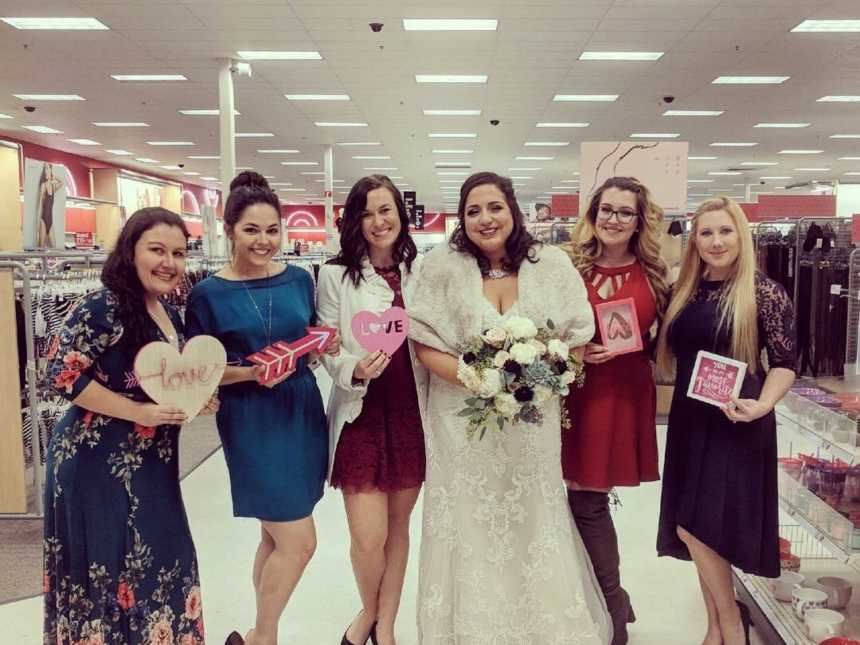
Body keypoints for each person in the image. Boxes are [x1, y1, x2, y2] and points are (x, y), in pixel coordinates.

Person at [408, 171, 612, 644]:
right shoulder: (440, 267)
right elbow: (425, 343)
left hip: (531, 422)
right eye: (473, 210)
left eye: (494, 207)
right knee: (470, 522)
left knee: (533, 516)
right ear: (461, 218)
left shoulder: (553, 265)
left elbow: (576, 340)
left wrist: (542, 379)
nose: (485, 218)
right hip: (461, 424)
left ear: (513, 210)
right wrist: (479, 379)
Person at [43, 207, 216, 645]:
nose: (169, 263)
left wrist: (195, 400)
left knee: (160, 555)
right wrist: (136, 412)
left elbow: (161, 384)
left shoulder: (166, 313)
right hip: (94, 462)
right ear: (130, 251)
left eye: (178, 252)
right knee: (108, 566)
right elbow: (62, 374)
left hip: (149, 464)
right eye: (156, 249)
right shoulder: (104, 305)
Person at [185, 172, 340, 645]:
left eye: (273, 229)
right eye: (252, 229)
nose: (264, 240)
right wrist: (253, 371)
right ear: (229, 229)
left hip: (300, 410)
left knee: (275, 538)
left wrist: (318, 348)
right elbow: (199, 370)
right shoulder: (207, 295)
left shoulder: (298, 278)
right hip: (252, 419)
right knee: (301, 542)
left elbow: (309, 333)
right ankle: (263, 638)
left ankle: (257, 632)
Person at [655, 196, 796, 645]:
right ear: (694, 240)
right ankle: (716, 627)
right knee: (695, 527)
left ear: (742, 235)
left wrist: (763, 405)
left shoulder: (763, 291)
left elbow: (786, 361)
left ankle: (731, 629)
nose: (716, 241)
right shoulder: (685, 290)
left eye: (725, 231)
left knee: (701, 526)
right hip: (690, 418)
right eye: (706, 232)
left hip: (737, 420)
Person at [316, 175, 428, 645]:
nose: (379, 221)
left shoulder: (422, 271)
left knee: (398, 528)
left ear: (401, 216)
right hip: (361, 413)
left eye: (386, 210)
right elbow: (325, 342)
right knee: (367, 536)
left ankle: (385, 627)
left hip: (411, 411)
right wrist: (353, 368)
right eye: (367, 212)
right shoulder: (334, 274)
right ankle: (369, 611)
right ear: (355, 222)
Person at [561, 176, 670, 645]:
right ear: (593, 213)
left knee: (589, 499)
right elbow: (545, 328)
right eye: (607, 209)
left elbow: (672, 337)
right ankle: (599, 599)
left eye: (625, 212)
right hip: (573, 391)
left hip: (621, 395)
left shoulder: (658, 274)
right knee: (570, 500)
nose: (614, 219)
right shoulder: (568, 267)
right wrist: (572, 351)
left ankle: (612, 608)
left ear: (639, 221)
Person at [36, 162, 64, 248]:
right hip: (43, 221)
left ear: (51, 170)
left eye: (48, 168)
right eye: (45, 169)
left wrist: (54, 177)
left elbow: (62, 182)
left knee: (55, 249)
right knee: (41, 249)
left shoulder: (52, 186)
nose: (46, 171)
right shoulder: (43, 186)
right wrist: (37, 226)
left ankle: (53, 261)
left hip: (50, 222)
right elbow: (40, 205)